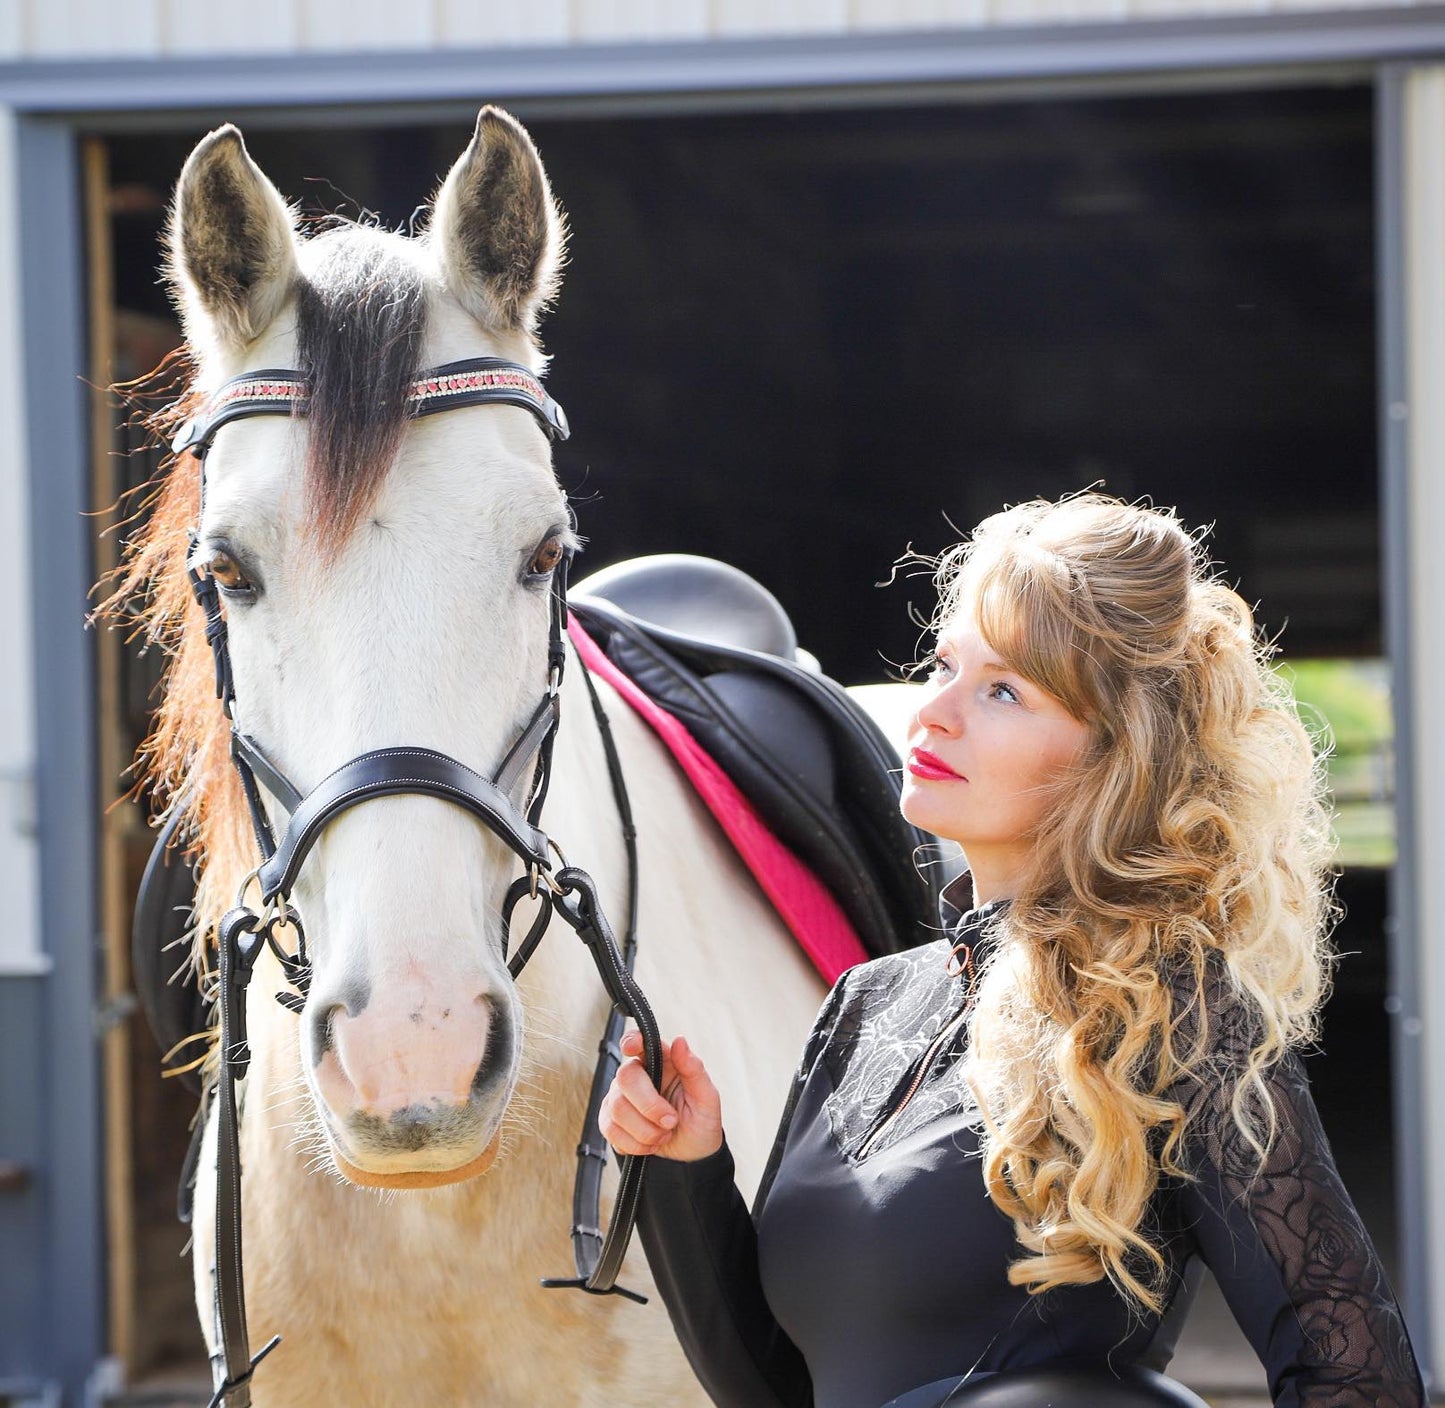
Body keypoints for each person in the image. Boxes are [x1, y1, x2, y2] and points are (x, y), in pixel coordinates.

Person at [599, 494, 1426, 1408]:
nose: (934, 712)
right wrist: (686, 1169)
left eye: (1004, 690)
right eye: (945, 665)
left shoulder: (1173, 1012)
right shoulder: (867, 1002)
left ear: (1115, 757)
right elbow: (774, 1389)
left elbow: (1356, 1374)